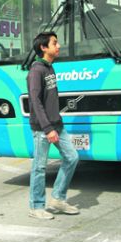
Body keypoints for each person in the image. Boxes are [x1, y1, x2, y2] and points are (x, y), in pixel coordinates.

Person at [26, 31, 80, 220]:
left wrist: (55, 124)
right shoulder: (37, 70)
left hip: (57, 124)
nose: (58, 46)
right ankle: (36, 206)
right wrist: (48, 128)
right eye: (54, 43)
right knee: (39, 167)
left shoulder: (50, 68)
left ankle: (57, 198)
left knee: (72, 157)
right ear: (43, 47)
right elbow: (35, 101)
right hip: (43, 128)